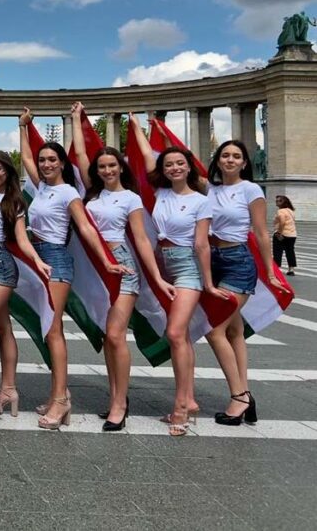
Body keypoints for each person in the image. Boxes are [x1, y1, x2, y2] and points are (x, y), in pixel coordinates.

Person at [19, 107, 129, 430]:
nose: (45, 164)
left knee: (53, 330)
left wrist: (108, 261)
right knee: (46, 328)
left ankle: (61, 400)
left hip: (55, 260)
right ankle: (59, 392)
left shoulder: (68, 192)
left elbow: (86, 229)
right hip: (37, 258)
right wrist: (23, 127)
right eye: (43, 161)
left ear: (63, 164)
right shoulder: (41, 188)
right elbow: (26, 159)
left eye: (52, 160)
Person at [71, 104, 174, 431]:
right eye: (102, 166)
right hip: (97, 267)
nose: (106, 170)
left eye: (112, 165)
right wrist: (75, 120)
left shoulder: (130, 198)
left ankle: (119, 403)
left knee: (116, 334)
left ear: (121, 167)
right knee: (107, 334)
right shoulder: (92, 195)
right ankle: (116, 397)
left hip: (122, 264)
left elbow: (142, 239)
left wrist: (155, 276)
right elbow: (81, 160)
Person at [131, 116, 211, 436]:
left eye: (180, 163)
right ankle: (189, 399)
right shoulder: (161, 194)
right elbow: (148, 157)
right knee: (184, 337)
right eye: (169, 164)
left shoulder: (202, 202)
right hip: (165, 264)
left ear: (189, 166)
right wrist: (136, 125)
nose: (174, 168)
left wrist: (207, 283)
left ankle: (180, 406)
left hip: (189, 267)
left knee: (176, 334)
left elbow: (202, 244)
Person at [205, 140, 289, 426]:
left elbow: (262, 233)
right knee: (234, 331)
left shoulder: (251, 189)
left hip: (237, 261)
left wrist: (270, 270)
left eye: (236, 156)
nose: (230, 160)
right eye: (225, 155)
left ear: (244, 163)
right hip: (212, 260)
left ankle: (238, 396)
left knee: (214, 330)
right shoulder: (209, 189)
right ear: (217, 161)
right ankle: (246, 396)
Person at [273, 195, 297, 275]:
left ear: (285, 202)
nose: (277, 202)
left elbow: (282, 222)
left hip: (282, 234)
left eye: (280, 201)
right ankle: (291, 269)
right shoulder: (291, 211)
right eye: (276, 200)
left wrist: (279, 233)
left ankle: (276, 270)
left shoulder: (281, 211)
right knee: (290, 251)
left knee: (277, 252)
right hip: (292, 234)